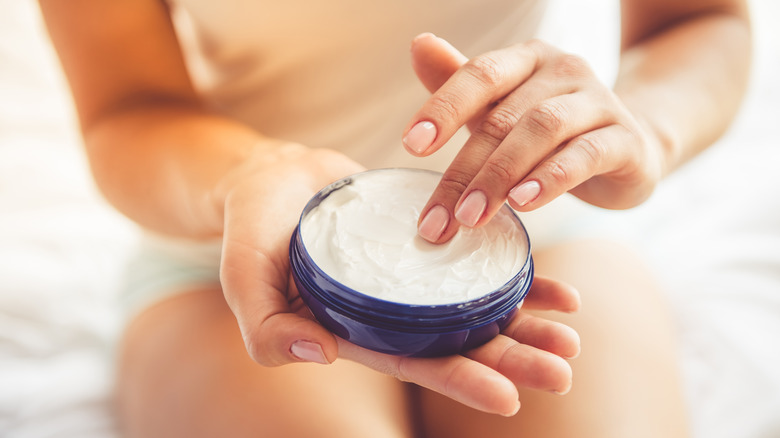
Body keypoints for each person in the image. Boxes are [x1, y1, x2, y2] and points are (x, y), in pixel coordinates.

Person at [38, 0, 751, 436]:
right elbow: (126, 108)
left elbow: (701, 19)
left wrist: (647, 131)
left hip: (529, 230)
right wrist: (246, 177)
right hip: (234, 246)